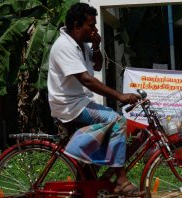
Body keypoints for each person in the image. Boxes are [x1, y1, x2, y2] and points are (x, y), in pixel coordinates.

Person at [47, 3, 144, 196]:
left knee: (110, 128)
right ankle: (121, 181)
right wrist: (120, 96)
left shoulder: (81, 44)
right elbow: (86, 80)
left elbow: (97, 66)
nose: (95, 29)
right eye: (91, 25)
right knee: (117, 121)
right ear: (77, 25)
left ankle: (88, 177)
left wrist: (97, 46)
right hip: (69, 106)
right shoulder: (64, 46)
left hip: (79, 102)